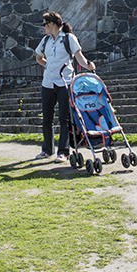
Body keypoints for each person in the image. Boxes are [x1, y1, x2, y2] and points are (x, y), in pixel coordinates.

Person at [34, 11, 96, 163]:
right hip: (47, 83)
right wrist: (48, 65)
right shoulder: (45, 40)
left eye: (45, 24)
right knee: (47, 119)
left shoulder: (69, 38)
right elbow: (38, 58)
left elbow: (79, 57)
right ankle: (47, 150)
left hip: (65, 82)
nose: (43, 27)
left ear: (52, 24)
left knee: (64, 119)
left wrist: (88, 66)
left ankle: (63, 152)